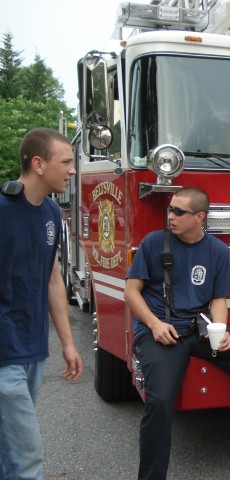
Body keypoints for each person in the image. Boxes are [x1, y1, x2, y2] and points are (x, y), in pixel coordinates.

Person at [124, 186, 230, 480]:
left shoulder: (217, 251)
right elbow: (131, 292)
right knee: (160, 400)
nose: (170, 216)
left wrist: (221, 331)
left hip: (198, 330)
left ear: (199, 217)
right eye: (170, 210)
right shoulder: (153, 243)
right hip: (159, 331)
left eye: (178, 211)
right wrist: (154, 324)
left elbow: (218, 301)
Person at [0, 128, 83, 480]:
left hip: (33, 349)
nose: (73, 170)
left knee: (9, 451)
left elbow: (52, 280)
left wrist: (67, 343)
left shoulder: (50, 212)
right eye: (65, 162)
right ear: (38, 163)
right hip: (4, 355)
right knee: (26, 460)